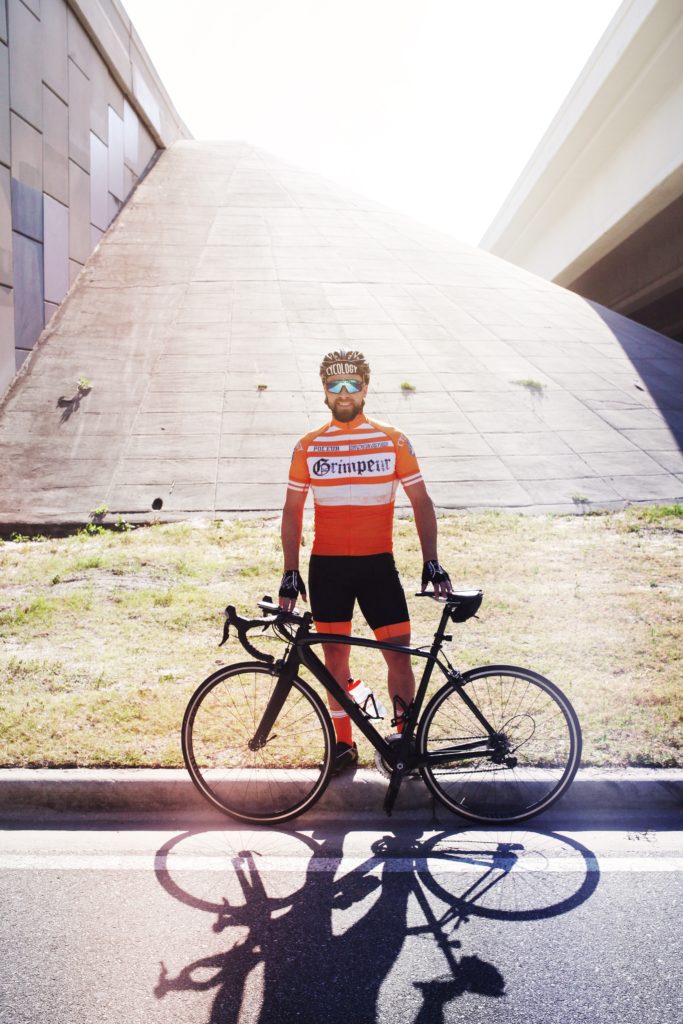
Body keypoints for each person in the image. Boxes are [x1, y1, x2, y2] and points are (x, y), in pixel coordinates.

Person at [278, 348, 451, 773]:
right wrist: (290, 570)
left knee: (398, 655)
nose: (343, 393)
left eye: (352, 384)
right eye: (334, 385)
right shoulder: (308, 446)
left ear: (365, 388)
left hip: (378, 567)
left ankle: (403, 741)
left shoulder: (393, 440)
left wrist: (431, 560)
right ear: (324, 391)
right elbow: (293, 511)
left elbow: (421, 500)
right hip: (328, 568)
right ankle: (343, 743)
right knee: (335, 659)